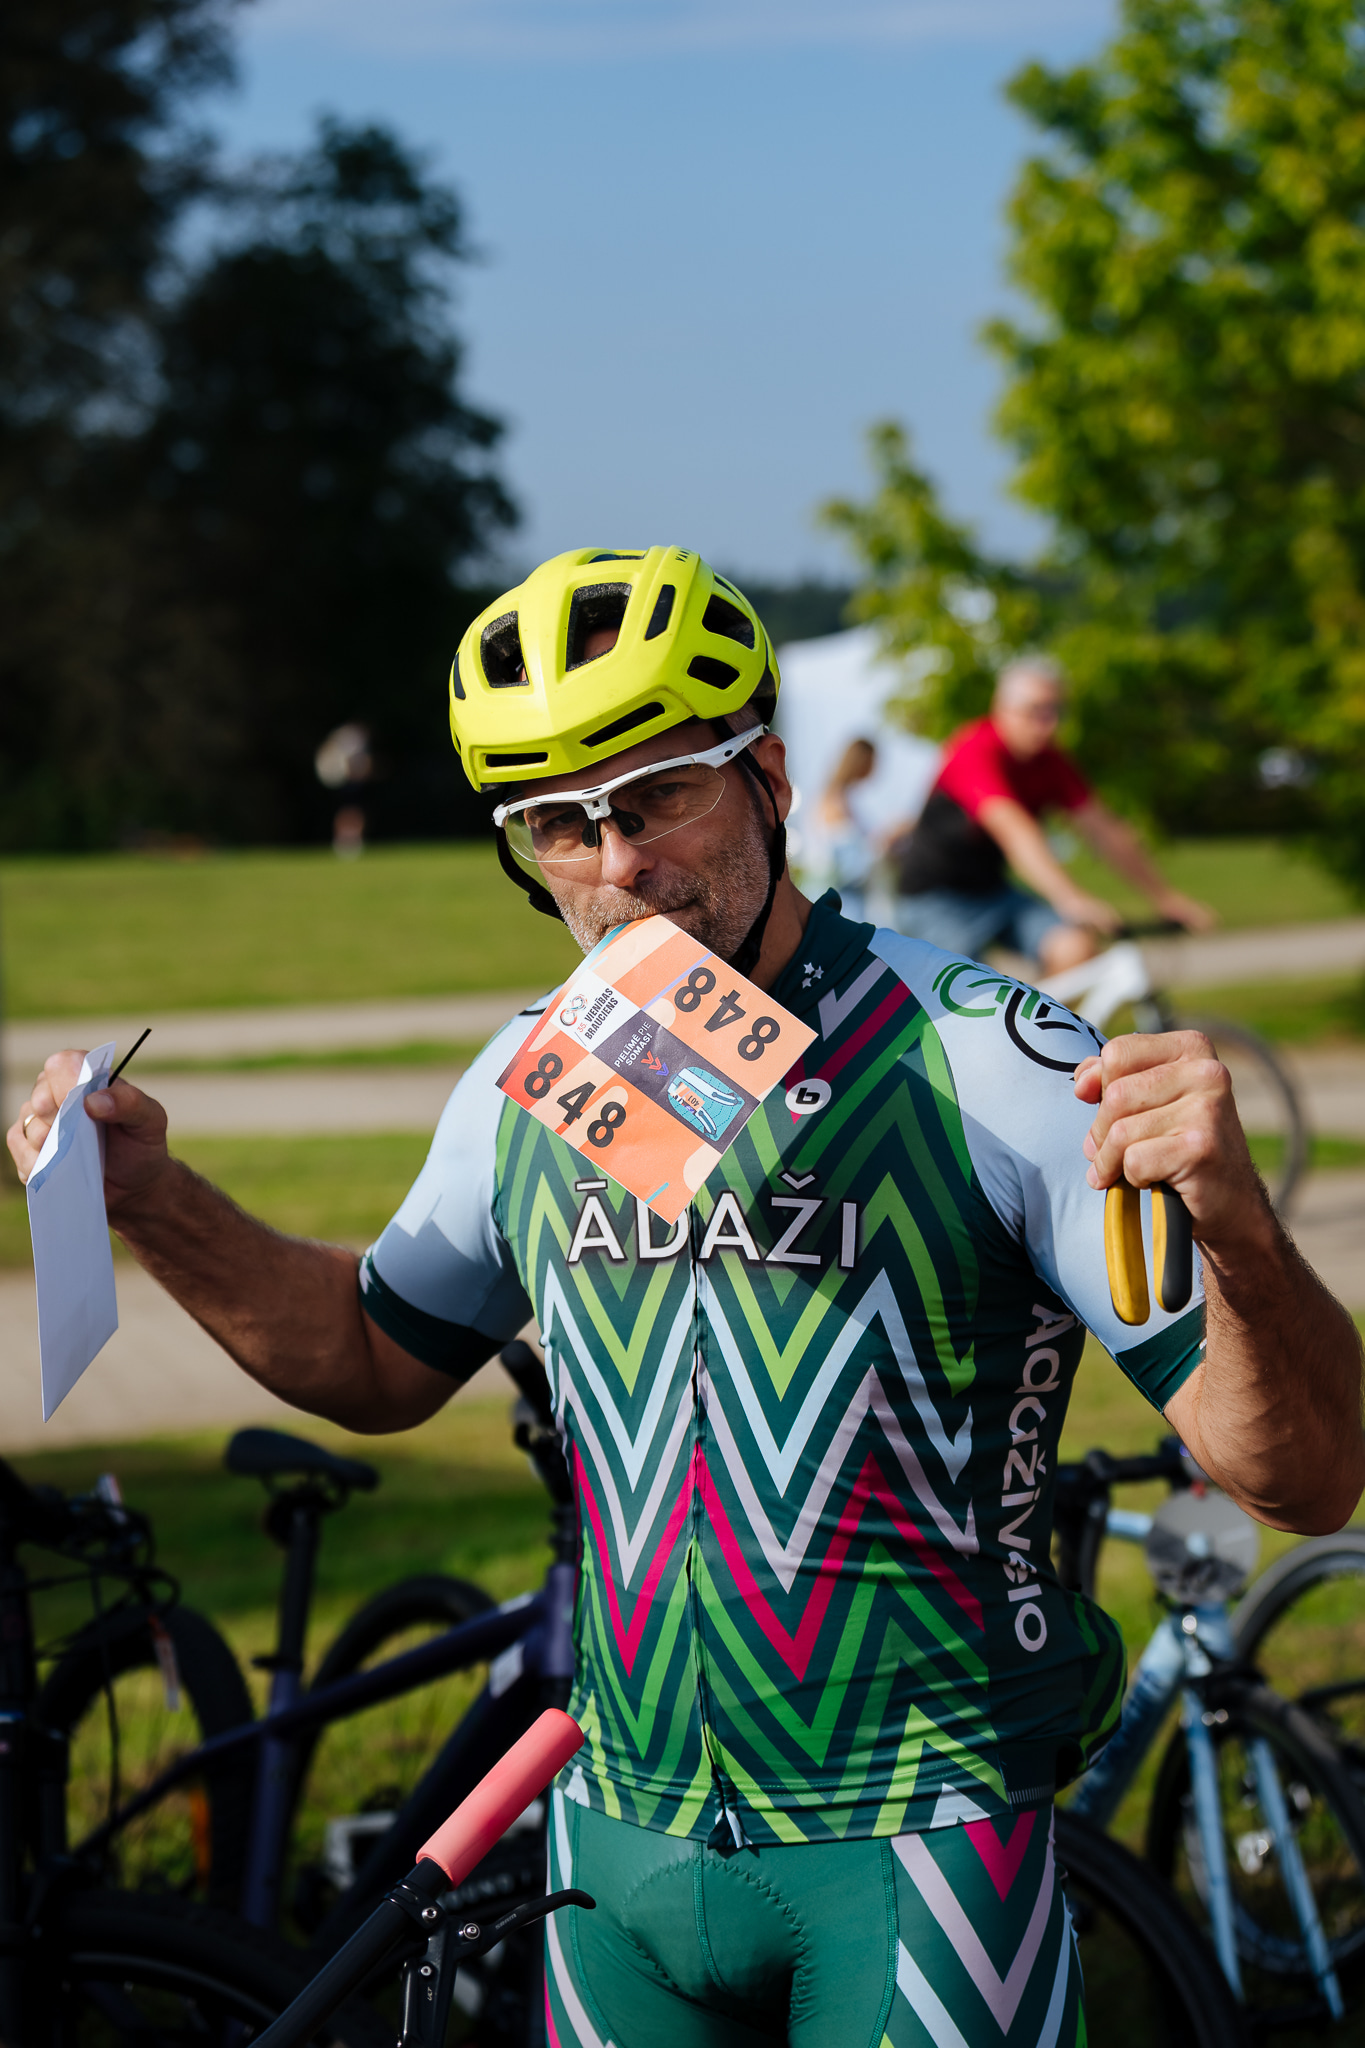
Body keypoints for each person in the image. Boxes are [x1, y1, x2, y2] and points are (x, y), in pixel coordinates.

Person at [9, 546, 1362, 2048]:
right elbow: (372, 1353)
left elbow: (1301, 1476)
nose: (619, 867)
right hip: (616, 1851)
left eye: (656, 798)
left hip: (917, 1836)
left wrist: (1240, 1234)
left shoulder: (990, 1054)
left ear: (770, 779)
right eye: (557, 826)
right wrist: (156, 1199)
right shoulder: (534, 1070)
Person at [893, 655, 1215, 974]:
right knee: (968, 989)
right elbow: (1014, 830)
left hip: (993, 891)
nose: (1048, 724)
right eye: (1034, 711)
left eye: (1055, 711)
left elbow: (1104, 830)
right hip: (933, 899)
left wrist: (1165, 898)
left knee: (1075, 948)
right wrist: (1071, 898)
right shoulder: (973, 749)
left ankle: (1045, 1011)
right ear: (1001, 708)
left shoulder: (1049, 761)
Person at [813, 735, 877, 920]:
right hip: (845, 903)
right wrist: (881, 845)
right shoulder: (835, 802)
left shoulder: (839, 797)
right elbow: (849, 864)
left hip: (849, 899)